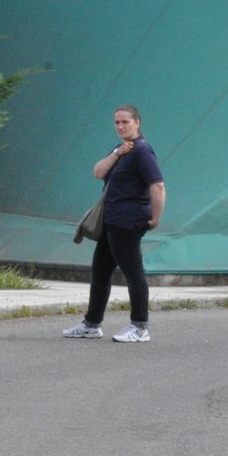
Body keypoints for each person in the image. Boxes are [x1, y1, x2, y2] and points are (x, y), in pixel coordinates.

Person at [62, 105, 165, 342]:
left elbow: (158, 185)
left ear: (137, 122)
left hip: (128, 221)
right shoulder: (123, 149)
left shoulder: (142, 151)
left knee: (133, 272)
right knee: (100, 272)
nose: (120, 126)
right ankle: (92, 324)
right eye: (117, 122)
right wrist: (117, 152)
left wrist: (156, 217)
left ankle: (139, 326)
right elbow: (98, 172)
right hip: (111, 221)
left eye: (125, 122)